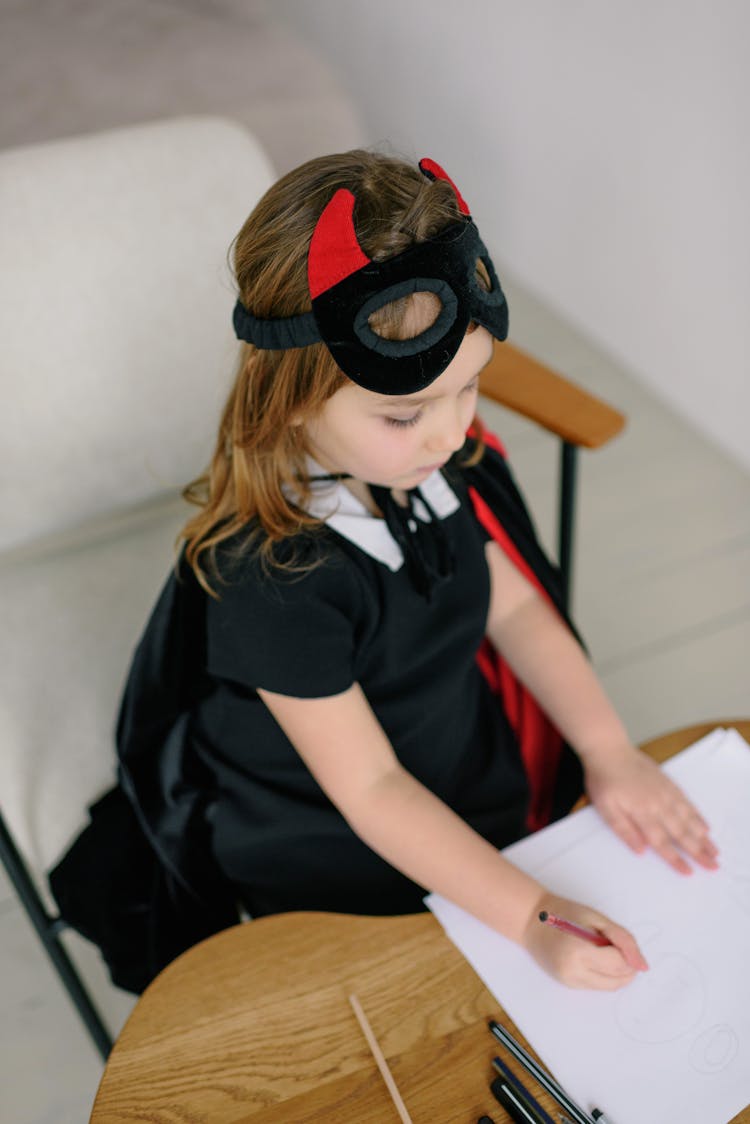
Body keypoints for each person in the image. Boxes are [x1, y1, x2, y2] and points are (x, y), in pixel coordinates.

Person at [95, 150, 721, 992]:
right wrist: (533, 920)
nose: (451, 434)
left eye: (469, 389)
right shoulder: (269, 579)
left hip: (459, 761)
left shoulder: (425, 469)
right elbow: (372, 787)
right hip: (339, 850)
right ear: (286, 394)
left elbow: (515, 611)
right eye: (405, 411)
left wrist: (608, 750)